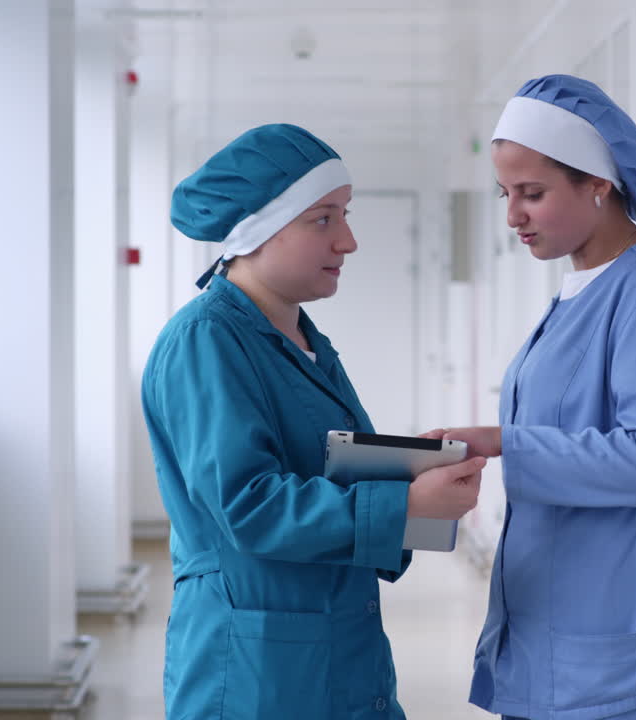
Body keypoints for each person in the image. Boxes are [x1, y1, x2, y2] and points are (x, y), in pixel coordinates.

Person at [142, 123, 485, 719]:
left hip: (333, 650)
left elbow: (331, 466)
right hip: (255, 671)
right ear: (260, 228)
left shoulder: (301, 339)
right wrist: (406, 507)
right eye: (323, 219)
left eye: (344, 215)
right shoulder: (207, 341)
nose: (347, 241)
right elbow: (247, 506)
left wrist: (415, 488)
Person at [427, 75, 636, 720]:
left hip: (623, 650)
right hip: (560, 628)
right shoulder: (580, 289)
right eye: (506, 194)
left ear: (598, 184)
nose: (513, 216)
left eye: (533, 194)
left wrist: (504, 442)